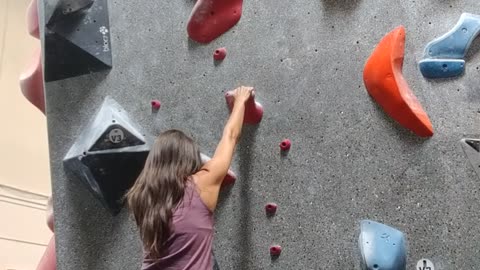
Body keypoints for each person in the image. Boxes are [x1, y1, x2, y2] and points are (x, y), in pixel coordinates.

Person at [126, 86, 254, 270]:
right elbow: (231, 137)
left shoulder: (140, 197)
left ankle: (213, 180)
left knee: (201, 250)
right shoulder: (201, 183)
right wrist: (240, 100)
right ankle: (212, 174)